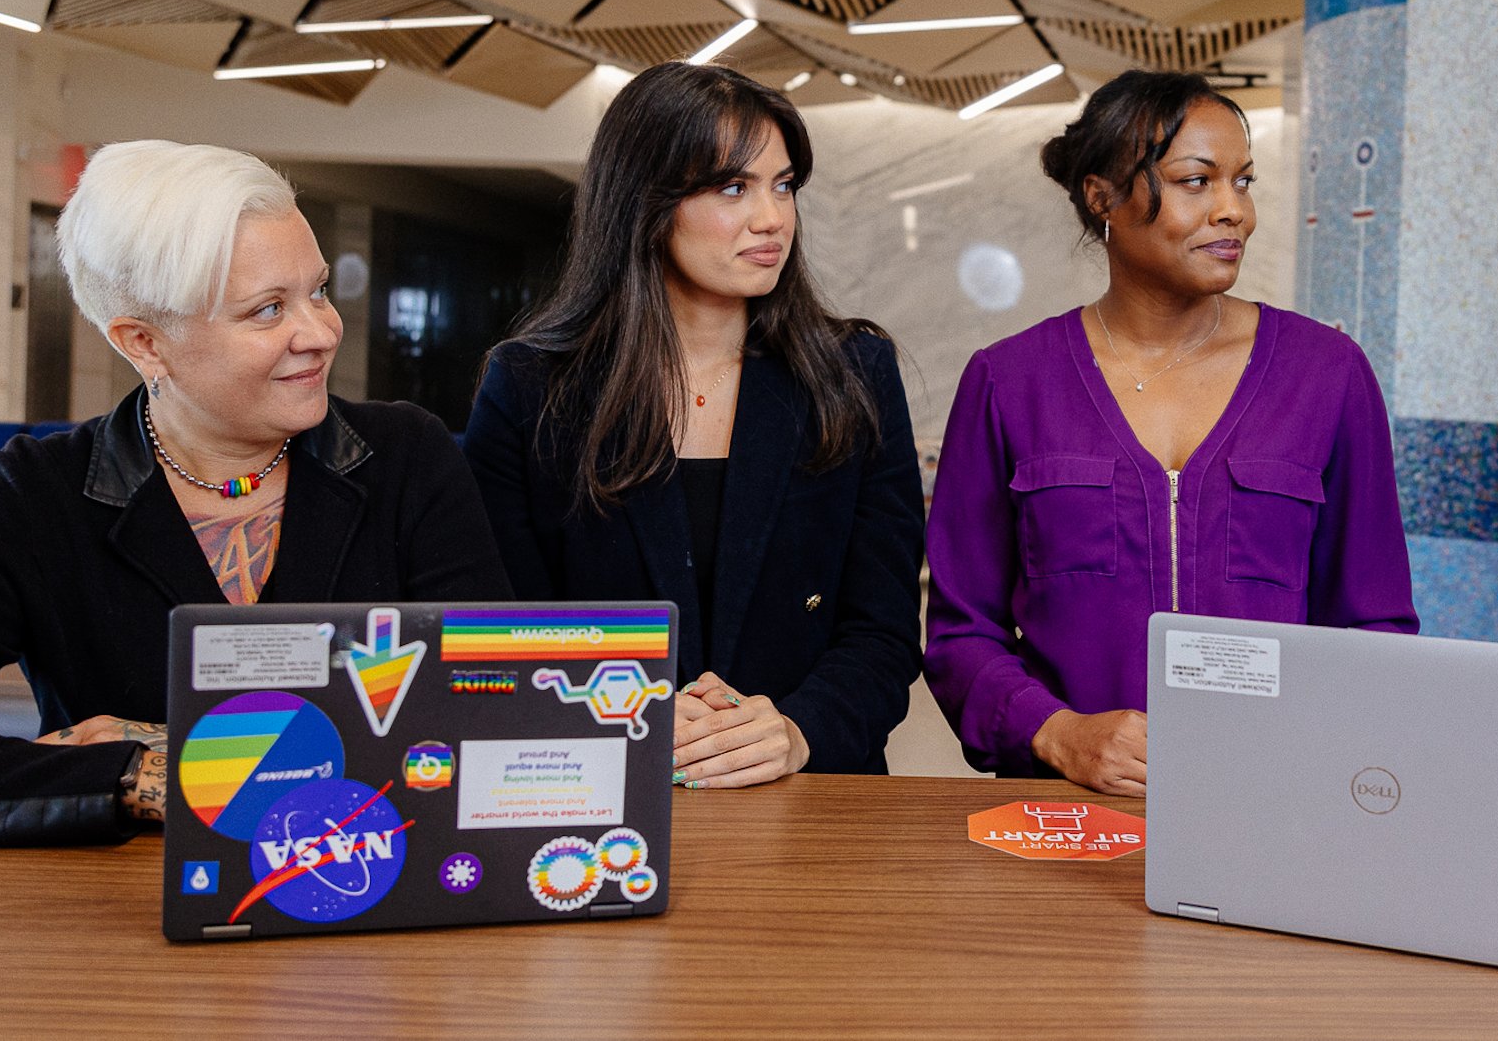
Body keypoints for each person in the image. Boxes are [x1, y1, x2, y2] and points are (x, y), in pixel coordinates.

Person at [0, 141, 511, 846]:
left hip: (374, 892)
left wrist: (191, 755)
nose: (320, 331)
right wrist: (130, 773)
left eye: (317, 291)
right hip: (125, 931)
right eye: (268, 309)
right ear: (144, 343)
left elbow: (497, 712)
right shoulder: (36, 497)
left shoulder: (405, 459)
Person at [924, 70, 1416, 795]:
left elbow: (1376, 626)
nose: (1235, 212)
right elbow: (962, 634)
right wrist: (1059, 734)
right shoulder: (1009, 381)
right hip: (1065, 811)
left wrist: (1319, 757)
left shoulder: (1327, 375)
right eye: (1196, 181)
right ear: (1103, 198)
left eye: (1243, 182)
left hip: (1277, 806)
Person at [464, 62, 923, 788]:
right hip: (597, 786)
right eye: (733, 187)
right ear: (646, 201)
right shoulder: (532, 387)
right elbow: (500, 626)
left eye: (784, 186)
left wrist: (795, 732)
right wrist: (632, 716)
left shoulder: (851, 373)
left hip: (810, 799)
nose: (772, 218)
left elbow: (884, 631)